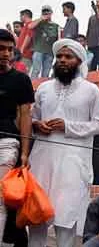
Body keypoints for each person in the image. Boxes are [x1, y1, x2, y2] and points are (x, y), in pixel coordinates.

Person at [29, 38, 99, 247]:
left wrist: (68, 126)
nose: (63, 60)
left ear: (79, 61)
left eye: (68, 57)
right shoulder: (44, 88)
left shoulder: (91, 90)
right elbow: (31, 118)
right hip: (42, 160)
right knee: (37, 217)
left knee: (66, 220)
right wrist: (37, 124)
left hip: (74, 163)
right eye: (60, 57)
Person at [0, 29, 32, 237]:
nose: (5, 54)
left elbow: (25, 116)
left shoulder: (20, 79)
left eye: (10, 50)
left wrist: (24, 151)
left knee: (1, 199)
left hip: (6, 145)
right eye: (1, 49)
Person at [29, 5, 60, 79]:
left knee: (46, 72)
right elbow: (30, 26)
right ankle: (32, 87)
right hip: (38, 50)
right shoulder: (38, 22)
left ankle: (43, 87)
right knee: (36, 70)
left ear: (51, 13)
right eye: (44, 12)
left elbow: (58, 39)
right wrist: (41, 18)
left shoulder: (56, 25)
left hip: (50, 52)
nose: (46, 13)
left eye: (47, 11)